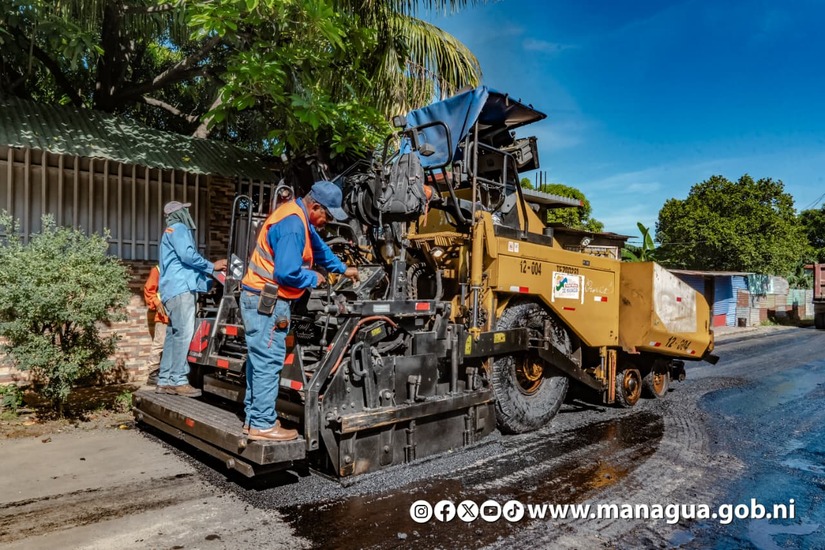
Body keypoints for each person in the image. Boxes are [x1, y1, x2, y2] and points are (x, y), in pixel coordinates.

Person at [240, 181, 359, 441]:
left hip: (259, 298)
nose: (325, 222)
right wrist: (313, 278)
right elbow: (286, 273)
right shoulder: (294, 225)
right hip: (268, 301)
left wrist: (342, 268)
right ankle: (261, 424)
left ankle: (254, 419)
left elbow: (319, 248)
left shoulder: (297, 214)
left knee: (259, 360)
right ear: (315, 206)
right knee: (269, 361)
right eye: (326, 215)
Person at [158, 201, 227, 397]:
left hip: (171, 290)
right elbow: (188, 256)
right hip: (181, 290)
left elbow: (180, 264)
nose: (189, 213)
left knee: (173, 335)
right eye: (185, 210)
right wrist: (212, 267)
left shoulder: (168, 231)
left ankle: (164, 380)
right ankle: (178, 380)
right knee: (183, 335)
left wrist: (206, 281)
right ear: (180, 213)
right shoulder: (179, 228)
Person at [142, 264, 168, 386]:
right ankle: (153, 374)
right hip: (163, 315)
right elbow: (149, 290)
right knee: (160, 343)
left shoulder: (179, 268)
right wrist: (157, 303)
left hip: (178, 314)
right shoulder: (157, 269)